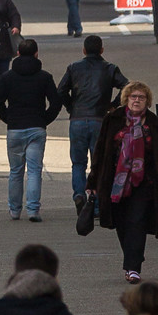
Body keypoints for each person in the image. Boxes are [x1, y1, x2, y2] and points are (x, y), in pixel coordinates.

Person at [91, 80, 158, 282]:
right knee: (121, 223)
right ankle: (133, 256)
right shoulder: (112, 120)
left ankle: (133, 267)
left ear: (148, 101)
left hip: (144, 183)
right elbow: (100, 152)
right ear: (126, 99)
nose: (137, 100)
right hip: (116, 184)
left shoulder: (156, 125)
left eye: (141, 97)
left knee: (137, 222)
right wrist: (92, 182)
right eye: (133, 97)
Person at [0, 37, 62, 222]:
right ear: (37, 54)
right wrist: (44, 119)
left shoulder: (7, 77)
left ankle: (14, 211)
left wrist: (8, 118)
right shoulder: (44, 77)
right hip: (36, 127)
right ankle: (33, 210)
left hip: (15, 128)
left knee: (15, 171)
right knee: (34, 171)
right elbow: (55, 102)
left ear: (18, 54)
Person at [54, 35, 124, 203]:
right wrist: (113, 105)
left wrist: (71, 107)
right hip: (99, 119)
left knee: (78, 162)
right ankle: (98, 201)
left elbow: (60, 91)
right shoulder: (110, 68)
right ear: (102, 50)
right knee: (99, 163)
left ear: (84, 50)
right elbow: (127, 86)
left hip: (77, 119)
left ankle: (79, 194)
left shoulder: (74, 68)